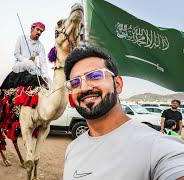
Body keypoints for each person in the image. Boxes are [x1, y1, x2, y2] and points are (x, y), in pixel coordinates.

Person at [63, 46, 184, 180]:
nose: (84, 88)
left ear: (118, 84)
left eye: (95, 75)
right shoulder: (72, 149)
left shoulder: (159, 148)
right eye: (75, 83)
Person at [1, 22, 48, 90]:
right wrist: (28, 61)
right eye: (37, 29)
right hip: (19, 67)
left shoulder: (40, 46)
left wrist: (45, 76)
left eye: (41, 31)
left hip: (32, 70)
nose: (39, 32)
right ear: (32, 28)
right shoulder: (21, 38)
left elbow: (43, 62)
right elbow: (16, 54)